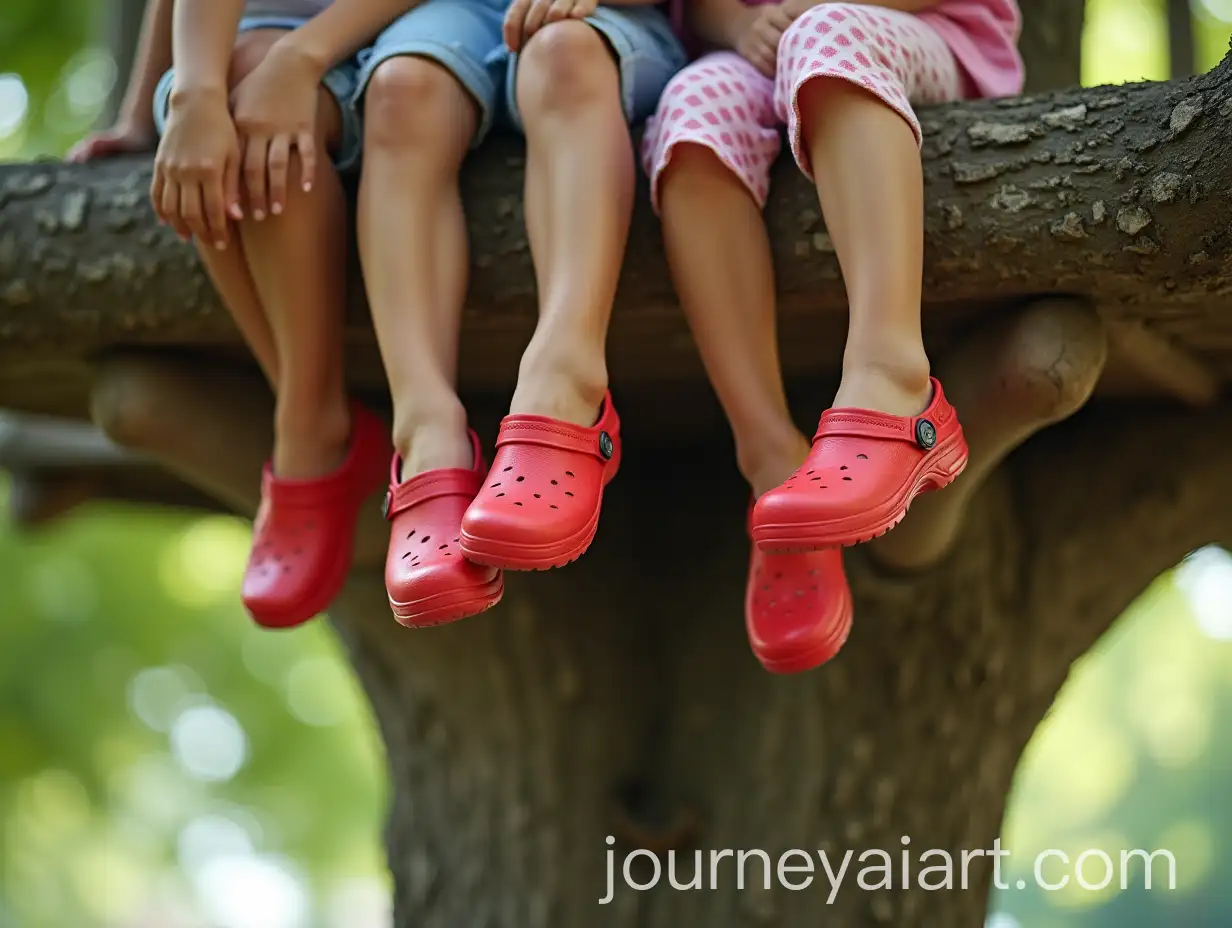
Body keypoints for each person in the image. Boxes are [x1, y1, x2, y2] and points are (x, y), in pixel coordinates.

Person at [641, 0, 1023, 673]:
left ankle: (893, 376)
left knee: (827, 32)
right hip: (762, 55)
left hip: (912, 27)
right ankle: (769, 461)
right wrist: (737, 26)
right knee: (689, 107)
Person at [70, 0, 415, 629]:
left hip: (382, 41)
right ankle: (310, 419)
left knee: (255, 83)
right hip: (232, 44)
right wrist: (167, 104)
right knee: (223, 92)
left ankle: (309, 429)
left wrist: (298, 55)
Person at [352, 0, 686, 625]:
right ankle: (425, 432)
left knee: (565, 53)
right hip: (459, 11)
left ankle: (565, 379)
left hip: (614, 18)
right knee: (400, 90)